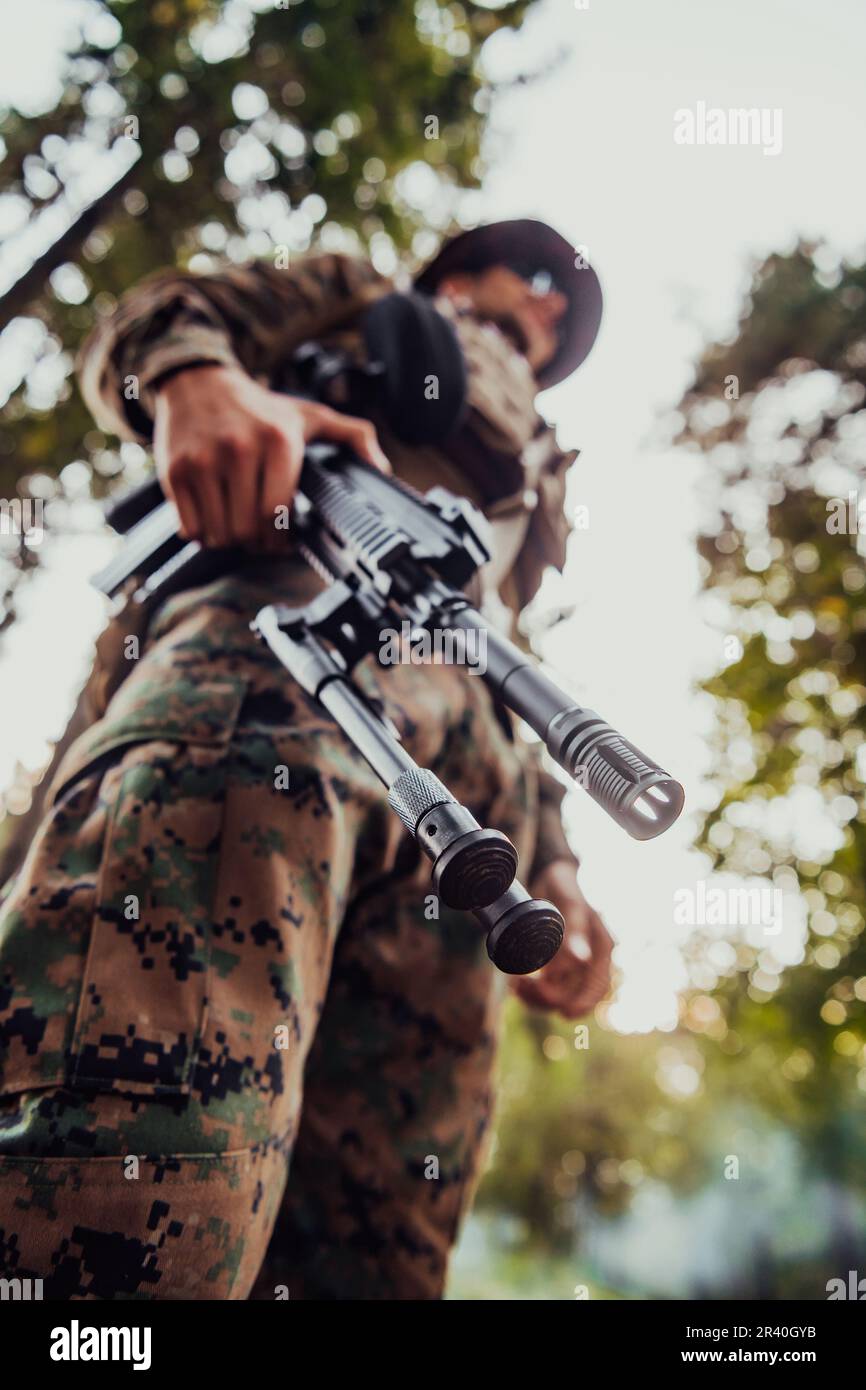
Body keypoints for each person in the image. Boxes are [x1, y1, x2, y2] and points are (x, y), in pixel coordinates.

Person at [0, 218, 613, 1300]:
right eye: (534, 277)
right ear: (457, 277)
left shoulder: (542, 467)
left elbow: (507, 639)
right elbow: (150, 315)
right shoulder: (358, 293)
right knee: (134, 1155)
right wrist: (196, 382)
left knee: (380, 1239)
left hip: (471, 784)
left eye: (567, 304)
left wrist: (552, 854)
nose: (553, 305)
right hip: (283, 642)